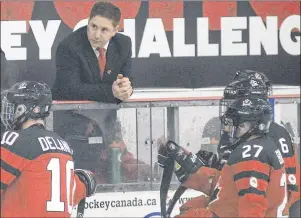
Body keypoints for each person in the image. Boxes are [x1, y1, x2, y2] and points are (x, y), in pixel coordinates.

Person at [161, 97, 287, 217]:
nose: (230, 130)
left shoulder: (251, 154)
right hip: (230, 211)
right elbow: (229, 187)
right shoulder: (262, 146)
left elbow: (253, 205)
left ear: (253, 126)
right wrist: (192, 170)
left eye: (238, 125)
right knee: (192, 206)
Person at [0, 81, 96, 217]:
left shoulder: (16, 142)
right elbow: (68, 190)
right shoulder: (63, 146)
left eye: (13, 107)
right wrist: (86, 181)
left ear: (23, 109)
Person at [52, 1, 133, 103]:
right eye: (93, 26)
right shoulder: (69, 46)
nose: (97, 35)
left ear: (115, 30)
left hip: (108, 115)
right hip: (71, 113)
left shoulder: (123, 44)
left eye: (104, 30)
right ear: (88, 21)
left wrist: (126, 89)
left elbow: (127, 80)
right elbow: (70, 90)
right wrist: (111, 91)